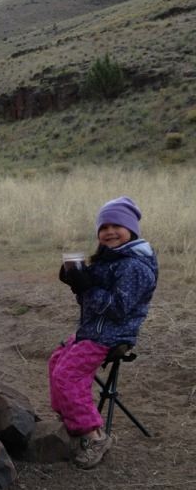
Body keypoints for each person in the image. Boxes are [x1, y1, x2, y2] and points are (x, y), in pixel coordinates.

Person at [49, 196, 158, 469]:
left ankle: (93, 436)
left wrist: (86, 287)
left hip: (113, 335)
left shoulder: (134, 266)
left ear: (131, 229)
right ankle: (71, 419)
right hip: (94, 331)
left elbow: (118, 309)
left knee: (67, 375)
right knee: (56, 361)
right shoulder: (108, 260)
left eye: (116, 226)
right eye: (104, 227)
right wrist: (76, 281)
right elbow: (90, 302)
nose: (109, 232)